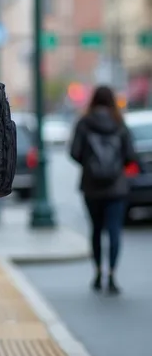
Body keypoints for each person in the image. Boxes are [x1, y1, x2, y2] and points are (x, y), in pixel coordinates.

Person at [70, 86, 136, 294]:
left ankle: (98, 272)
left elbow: (74, 152)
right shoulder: (120, 123)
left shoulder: (84, 123)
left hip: (91, 187)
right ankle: (113, 275)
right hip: (117, 186)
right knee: (114, 230)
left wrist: (90, 166)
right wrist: (117, 168)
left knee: (96, 230)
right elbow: (130, 154)